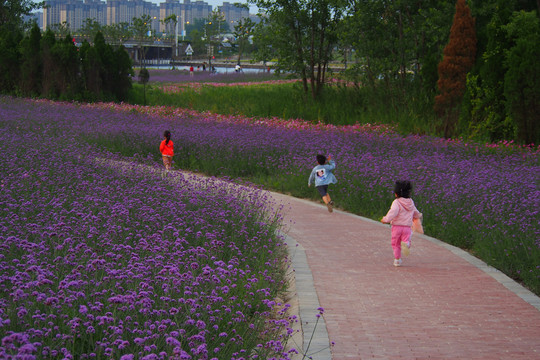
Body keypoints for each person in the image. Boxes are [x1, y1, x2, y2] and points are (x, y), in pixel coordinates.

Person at [381, 180, 422, 267]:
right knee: (406, 240)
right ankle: (406, 243)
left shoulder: (396, 202)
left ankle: (397, 260)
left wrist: (385, 219)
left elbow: (393, 212)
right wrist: (418, 216)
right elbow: (415, 212)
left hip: (396, 227)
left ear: (396, 194)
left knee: (395, 243)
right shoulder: (411, 202)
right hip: (407, 227)